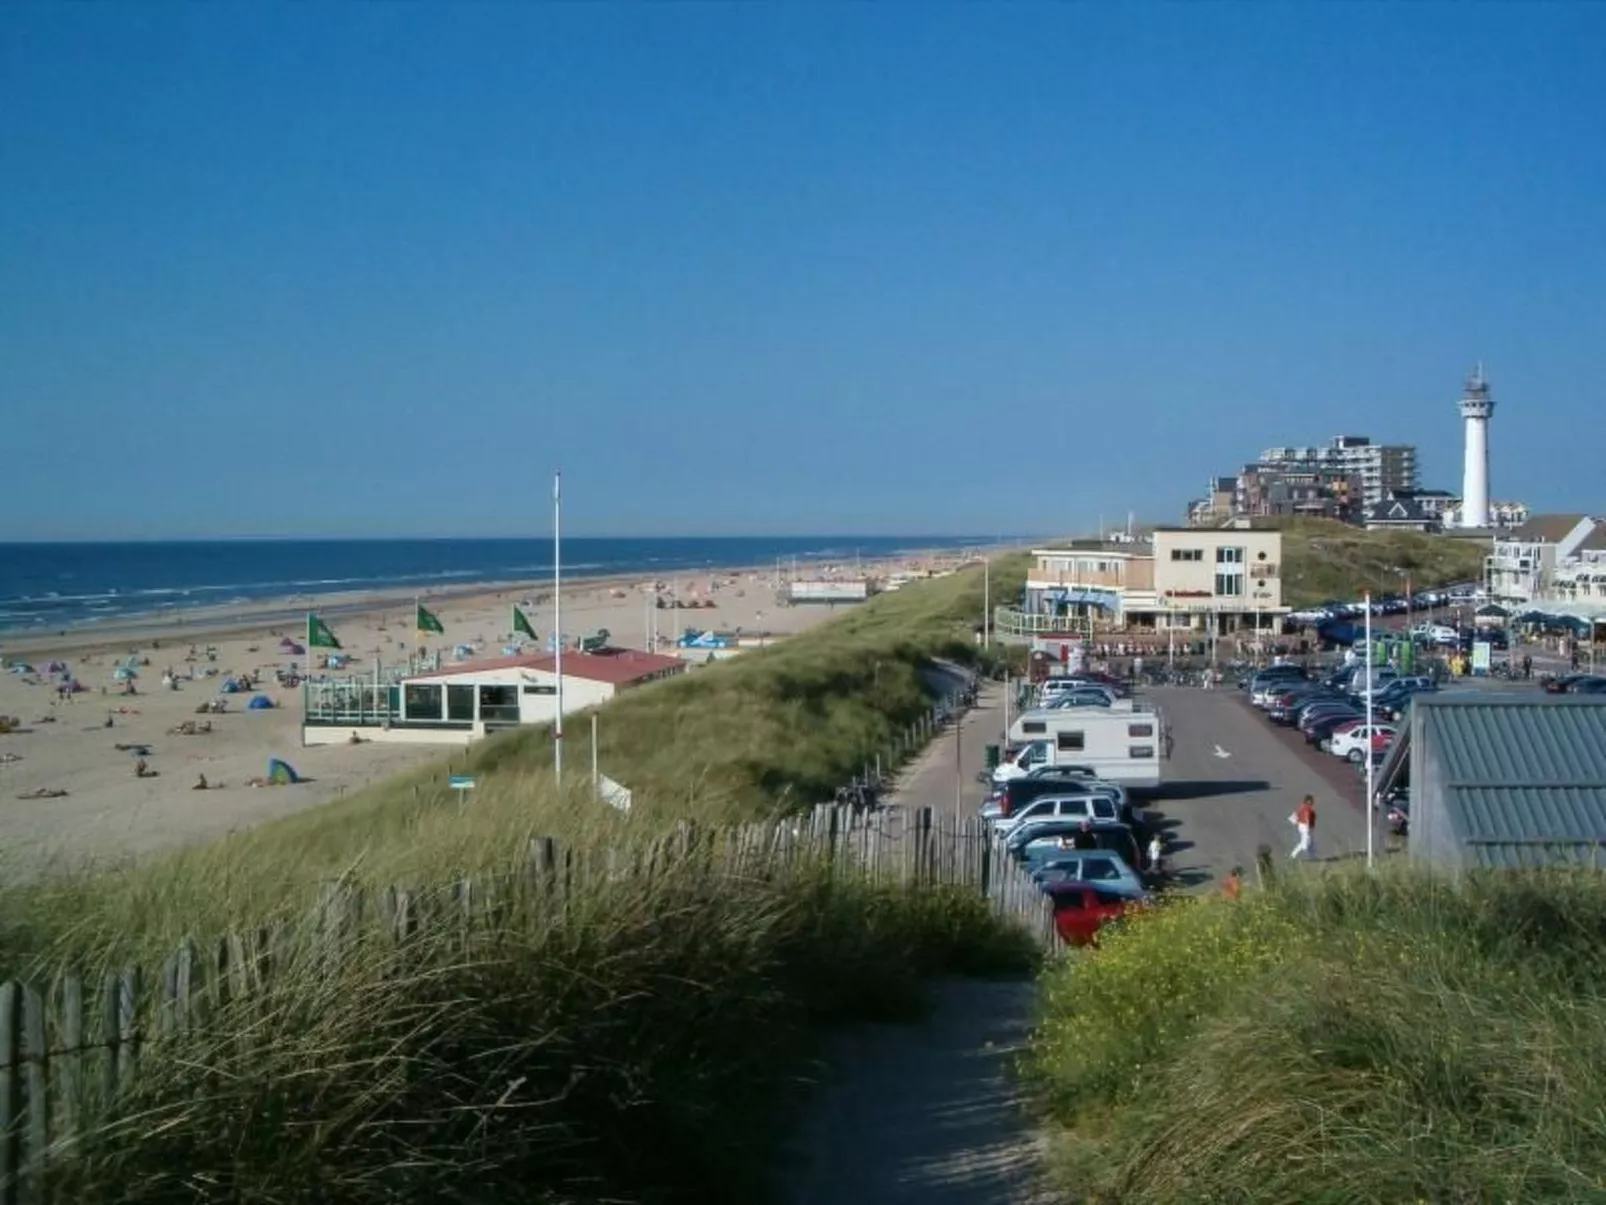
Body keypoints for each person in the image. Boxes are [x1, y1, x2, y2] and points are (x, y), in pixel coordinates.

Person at [1290, 794, 1317, 860]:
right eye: (1311, 800)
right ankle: (1293, 855)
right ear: (1308, 801)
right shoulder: (1307, 808)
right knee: (1304, 844)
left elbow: (1298, 815)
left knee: (1311, 842)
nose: (1312, 802)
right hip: (1306, 827)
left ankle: (1312, 856)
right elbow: (1307, 818)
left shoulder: (1303, 807)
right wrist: (1307, 828)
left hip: (1303, 826)